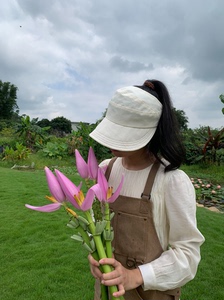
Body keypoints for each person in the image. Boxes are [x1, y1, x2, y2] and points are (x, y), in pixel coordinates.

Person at [88, 80, 205, 300]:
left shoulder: (171, 181)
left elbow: (188, 255)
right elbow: (96, 227)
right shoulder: (104, 170)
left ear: (151, 131)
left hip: (152, 294)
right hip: (107, 291)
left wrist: (135, 275)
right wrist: (95, 258)